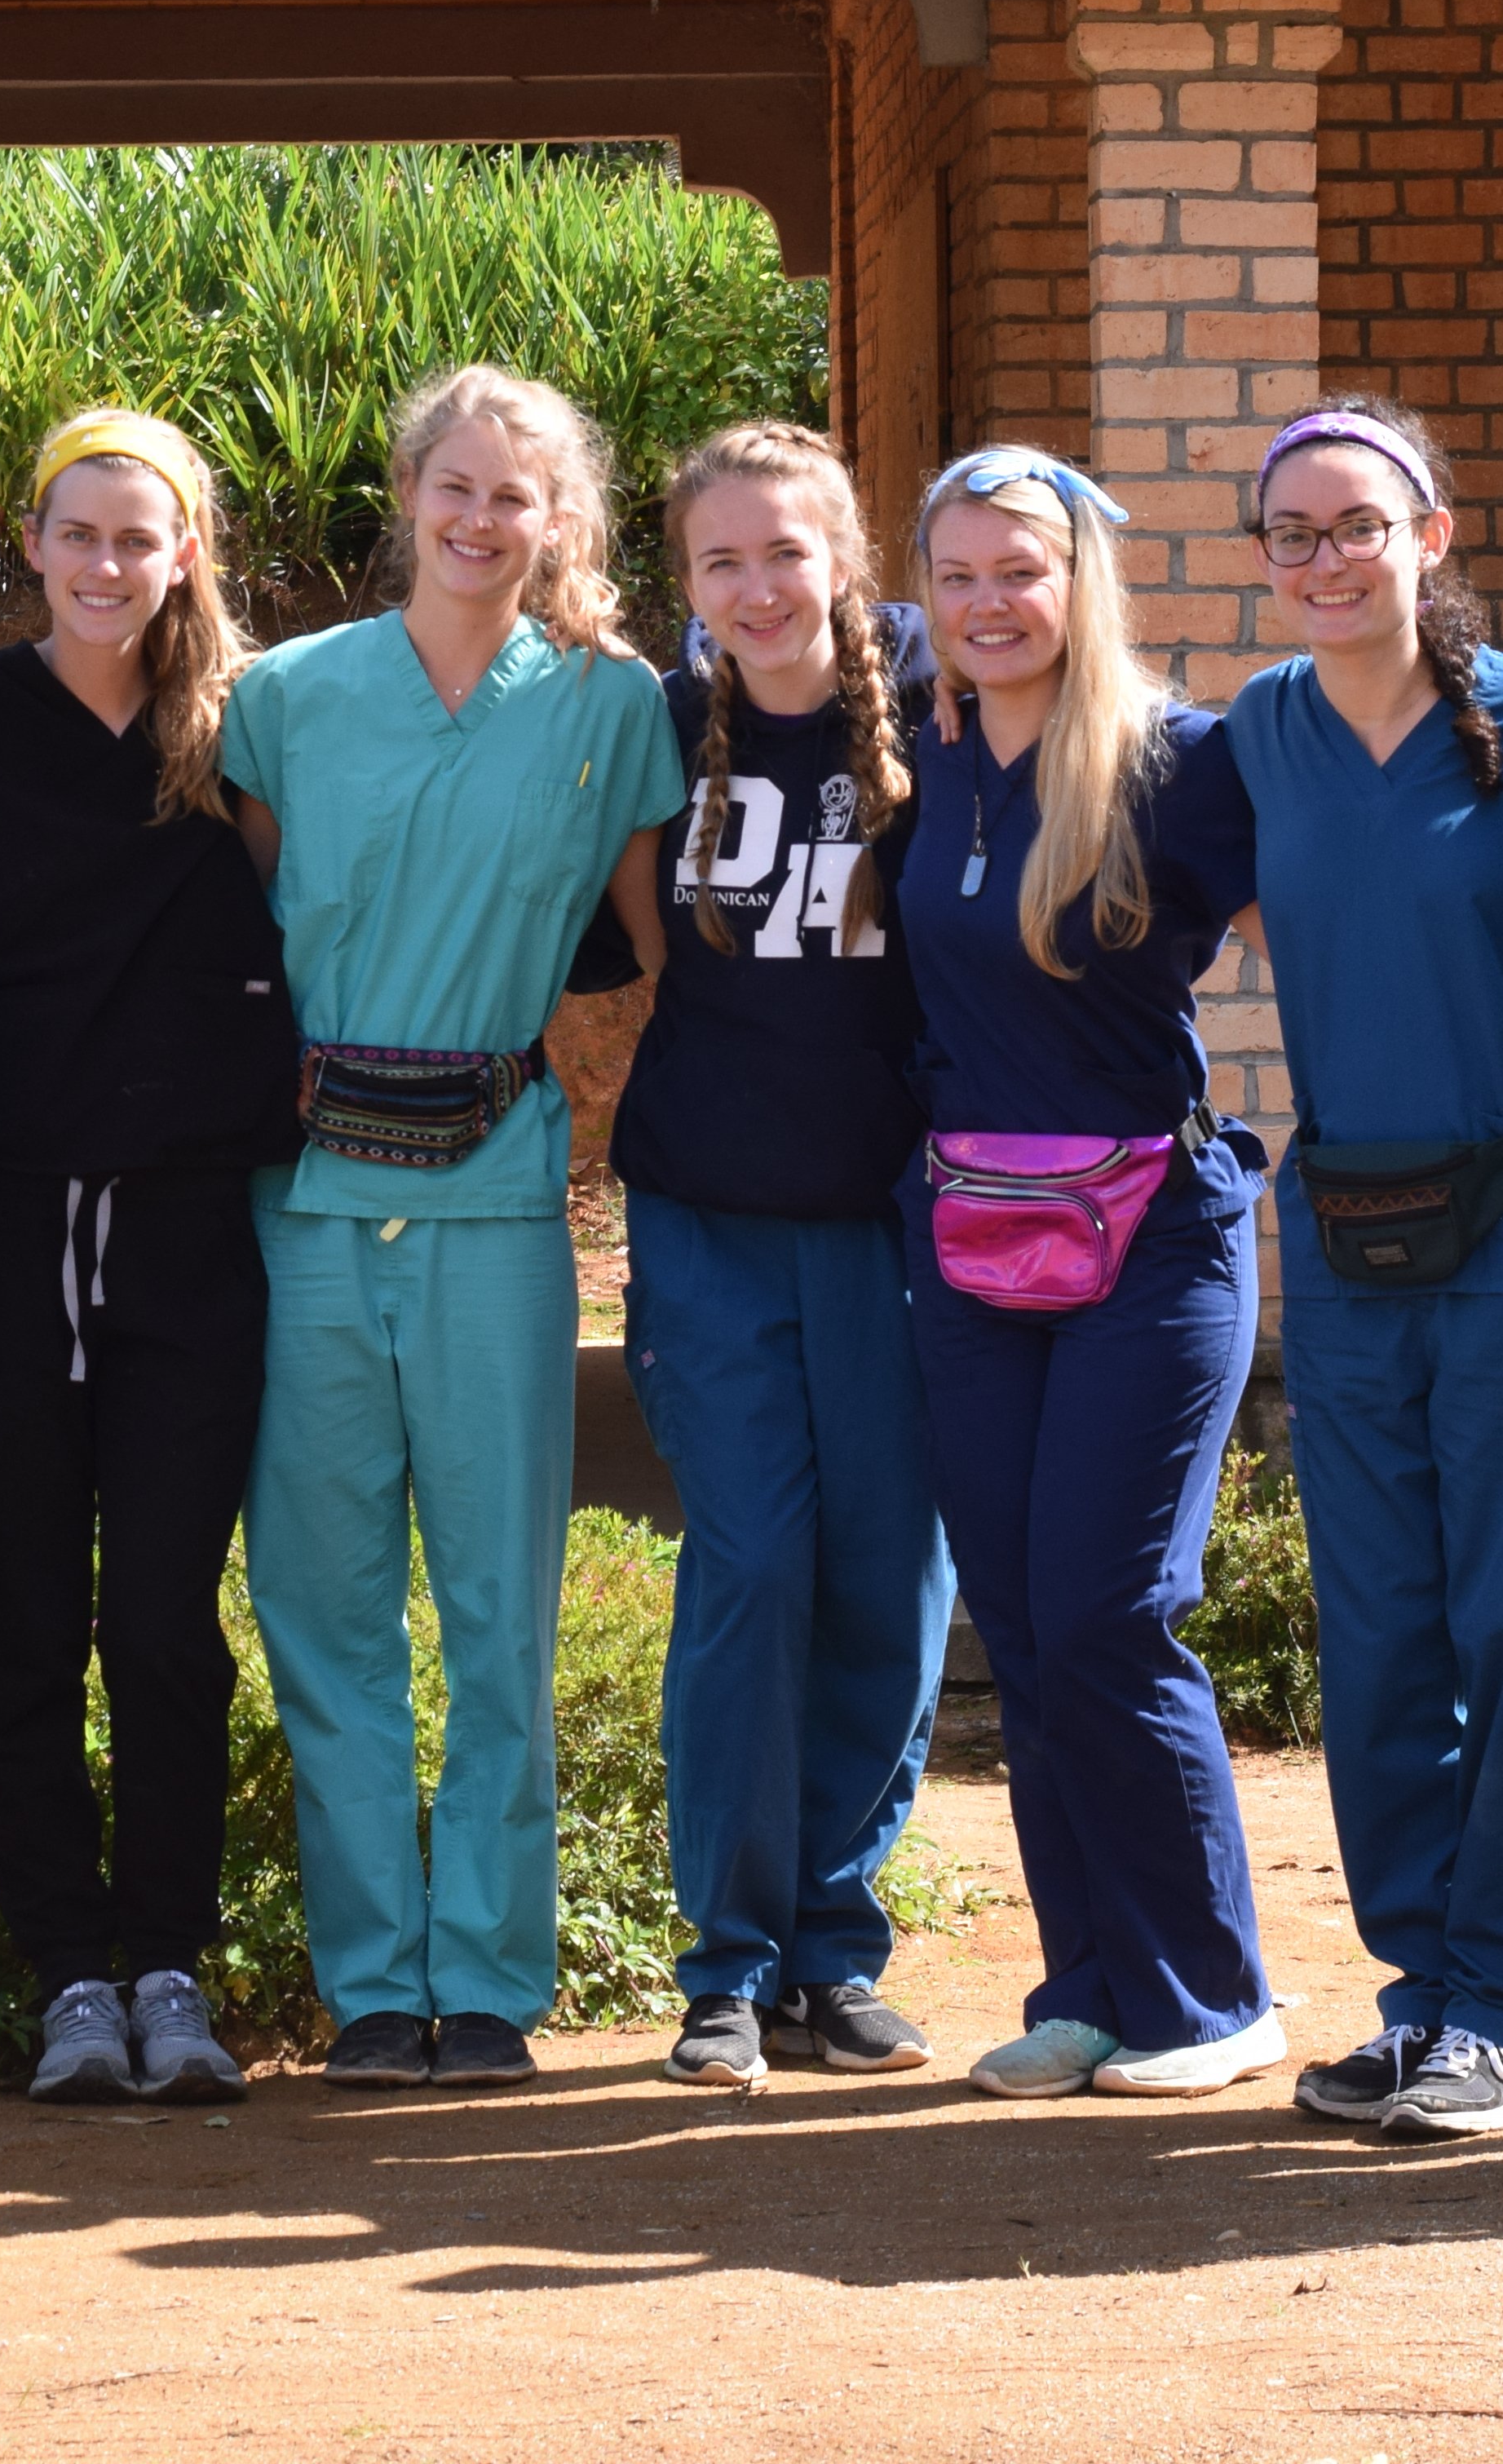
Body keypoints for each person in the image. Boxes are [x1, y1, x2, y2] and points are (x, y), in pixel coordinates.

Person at [219, 364, 680, 2094]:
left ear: (562, 517)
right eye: (456, 488)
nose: (484, 521)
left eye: (519, 495)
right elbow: (244, 936)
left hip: (497, 1192)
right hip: (310, 1202)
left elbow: (657, 954)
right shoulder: (285, 697)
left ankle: (485, 1979)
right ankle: (365, 1986)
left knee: (502, 1602)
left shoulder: (610, 705)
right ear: (407, 496)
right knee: (323, 1603)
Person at [894, 445, 1283, 2104]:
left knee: (1117, 1614)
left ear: (1081, 581)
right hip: (973, 1226)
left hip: (1157, 1229)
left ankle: (1211, 1996)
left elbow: (1352, 901)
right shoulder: (913, 755)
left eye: (1020, 570)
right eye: (959, 574)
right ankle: (1092, 1986)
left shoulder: (1183, 763)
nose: (989, 602)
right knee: (1034, 1622)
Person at [1228, 399, 1503, 2143]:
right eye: (1291, 533)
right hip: (1346, 1229)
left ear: (1431, 533)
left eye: (1356, 524)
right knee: (1376, 1631)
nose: (1324, 558)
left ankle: (1500, 2009)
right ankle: (1415, 1991)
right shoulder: (1257, 736)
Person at [0, 412, 294, 2107]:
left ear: (188, 548)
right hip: (3, 1222)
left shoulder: (251, 727)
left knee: (160, 1616)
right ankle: (66, 1970)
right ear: (32, 540)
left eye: (138, 536)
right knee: (13, 1614)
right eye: (77, 532)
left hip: (190, 1229)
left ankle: (168, 1961)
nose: (105, 563)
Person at [609, 421, 948, 2093]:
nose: (755, 586)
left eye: (784, 552)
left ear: (844, 557)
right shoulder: (661, 732)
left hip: (898, 1226)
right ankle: (726, 1966)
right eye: (718, 561)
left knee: (889, 1576)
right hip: (709, 1218)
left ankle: (835, 1943)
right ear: (689, 584)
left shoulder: (942, 727)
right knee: (751, 1567)